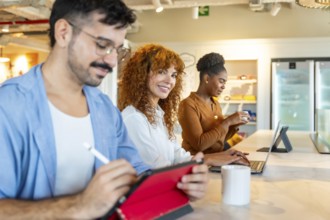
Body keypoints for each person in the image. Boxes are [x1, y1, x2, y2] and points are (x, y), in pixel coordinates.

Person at [0, 1, 208, 219]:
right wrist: (79, 206)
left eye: (116, 50)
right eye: (102, 44)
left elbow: (137, 172)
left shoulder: (104, 109)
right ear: (63, 33)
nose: (111, 61)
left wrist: (180, 184)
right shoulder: (9, 106)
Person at [118, 44, 249, 169]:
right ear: (142, 74)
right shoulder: (134, 118)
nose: (170, 81)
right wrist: (208, 159)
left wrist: (217, 157)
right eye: (162, 71)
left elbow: (177, 156)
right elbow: (158, 167)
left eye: (173, 75)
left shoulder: (159, 115)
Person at [178, 52, 250, 155]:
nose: (223, 86)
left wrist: (234, 125)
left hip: (216, 159)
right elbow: (199, 144)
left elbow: (219, 138)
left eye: (225, 82)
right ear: (206, 79)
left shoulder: (216, 104)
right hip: (197, 164)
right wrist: (228, 122)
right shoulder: (188, 105)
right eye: (221, 81)